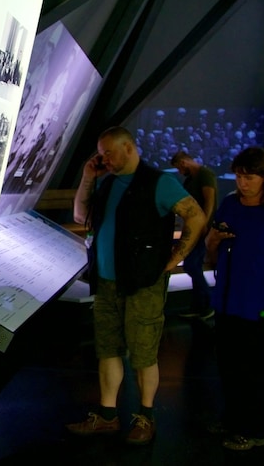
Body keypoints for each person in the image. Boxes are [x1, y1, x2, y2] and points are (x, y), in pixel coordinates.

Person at [67, 127, 207, 444]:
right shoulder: (105, 180)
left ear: (129, 148)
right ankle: (106, 415)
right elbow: (79, 213)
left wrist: (176, 258)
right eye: (101, 154)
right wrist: (89, 175)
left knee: (143, 352)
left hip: (143, 282)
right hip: (106, 281)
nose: (105, 159)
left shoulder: (160, 182)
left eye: (109, 153)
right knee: (108, 348)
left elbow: (195, 216)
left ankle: (146, 416)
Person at [205, 147, 264, 451]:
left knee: (255, 370)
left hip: (258, 302)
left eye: (249, 176)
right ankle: (233, 418)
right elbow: (211, 249)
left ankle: (255, 428)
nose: (242, 182)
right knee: (228, 365)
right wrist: (215, 240)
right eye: (239, 176)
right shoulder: (231, 205)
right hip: (227, 300)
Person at [171, 151, 218, 319]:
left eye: (178, 168)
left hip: (201, 229)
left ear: (183, 163)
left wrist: (204, 224)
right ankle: (200, 306)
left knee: (191, 265)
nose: (179, 172)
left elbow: (209, 200)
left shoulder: (205, 175)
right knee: (194, 266)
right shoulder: (191, 179)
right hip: (193, 228)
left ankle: (211, 302)